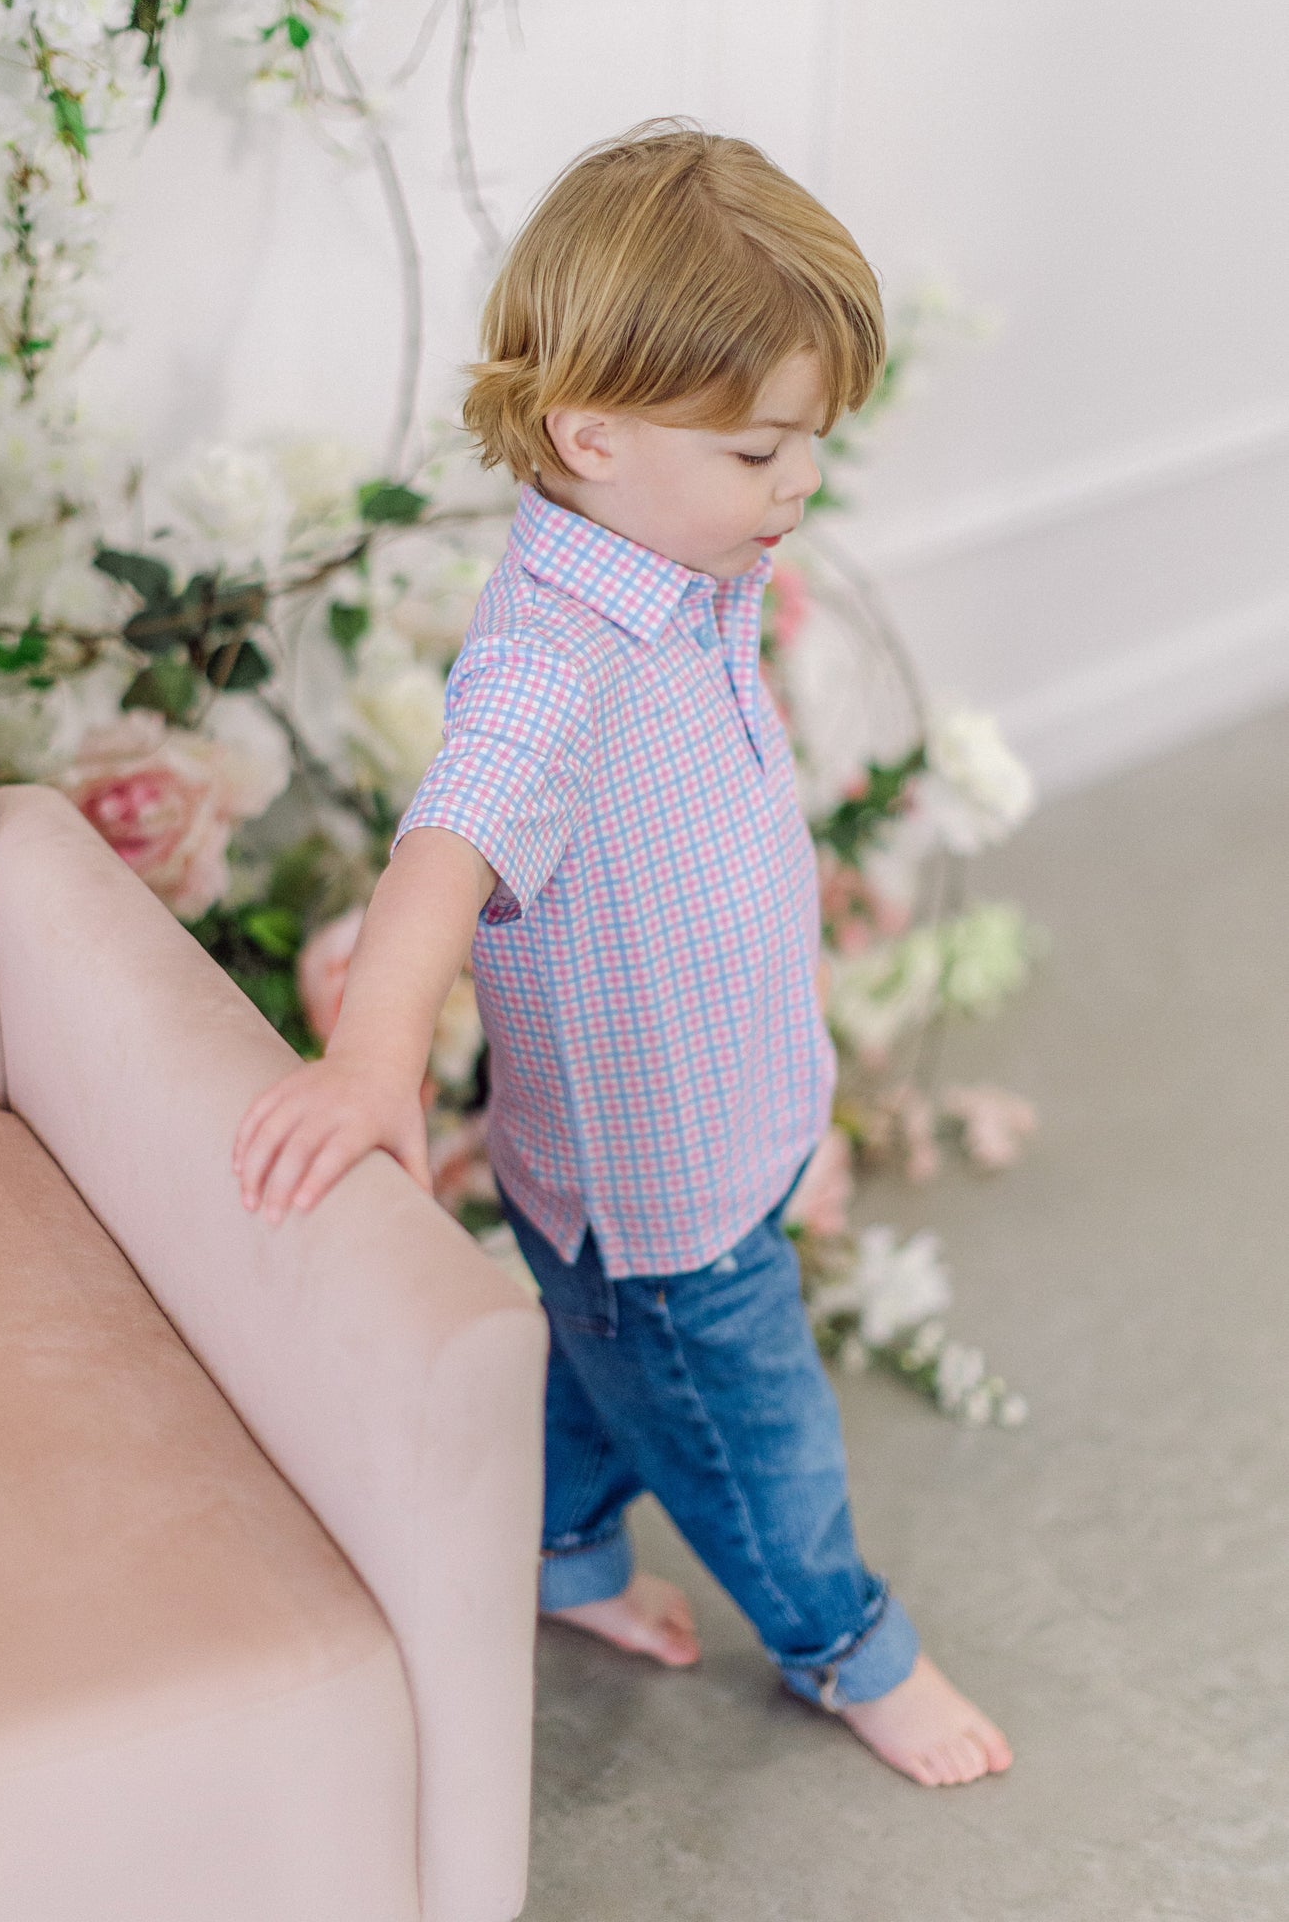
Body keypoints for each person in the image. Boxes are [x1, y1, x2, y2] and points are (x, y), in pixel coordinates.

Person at [233, 122, 1012, 1788]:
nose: (795, 487)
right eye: (757, 452)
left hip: (706, 1135)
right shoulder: (551, 658)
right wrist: (373, 1059)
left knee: (600, 1380)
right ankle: (842, 1645)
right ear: (589, 434)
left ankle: (558, 1555)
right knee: (756, 1442)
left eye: (809, 445)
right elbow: (447, 841)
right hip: (656, 1198)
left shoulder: (690, 559)